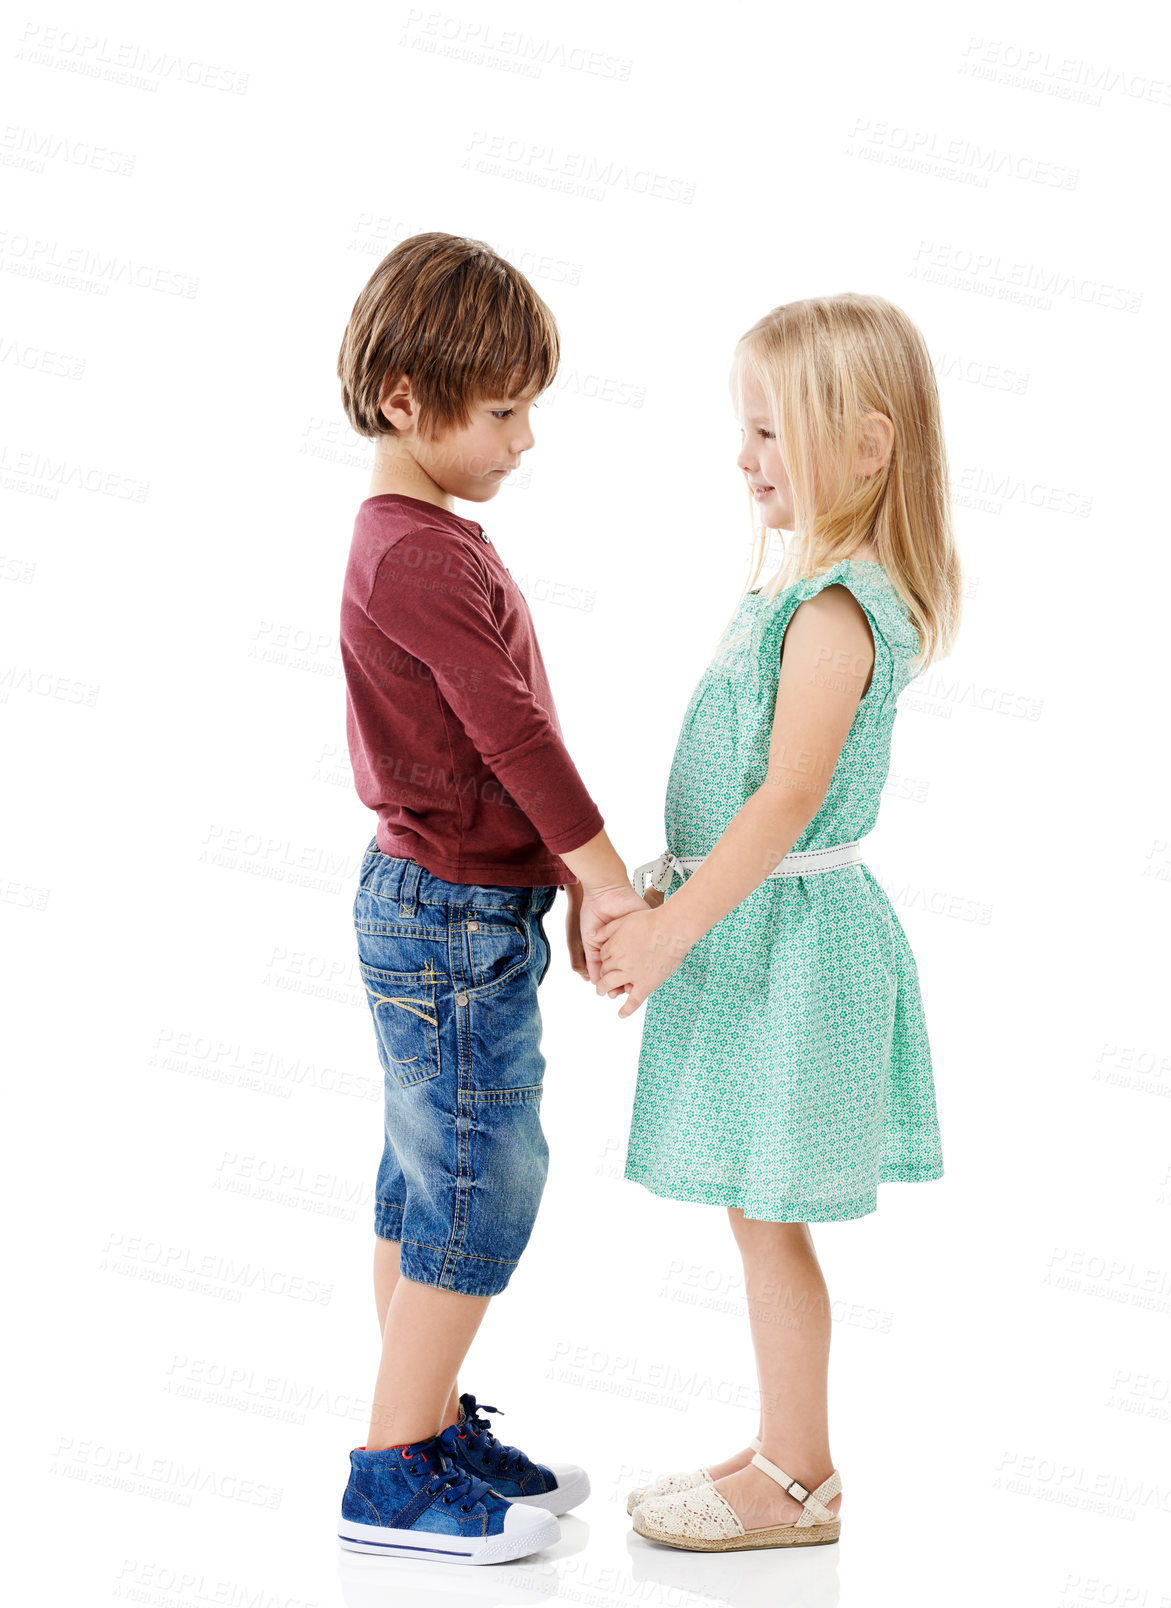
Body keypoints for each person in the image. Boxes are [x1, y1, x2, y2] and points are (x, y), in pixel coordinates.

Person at [595, 293, 961, 1553]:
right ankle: (779, 1449)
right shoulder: (798, 590)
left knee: (768, 1215)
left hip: (791, 952)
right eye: (741, 431)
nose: (743, 459)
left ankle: (798, 1479)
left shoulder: (834, 612)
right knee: (758, 1213)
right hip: (766, 938)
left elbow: (789, 797)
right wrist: (670, 885)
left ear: (867, 447)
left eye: (769, 434)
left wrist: (672, 927)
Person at [333, 233, 646, 1563]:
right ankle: (392, 1470)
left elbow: (500, 734)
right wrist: (608, 878)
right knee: (479, 1170)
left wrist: (555, 877)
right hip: (447, 914)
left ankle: (430, 1419)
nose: (524, 438)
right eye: (503, 409)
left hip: (459, 900)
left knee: (428, 1169)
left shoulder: (425, 540)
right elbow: (511, 732)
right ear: (407, 397)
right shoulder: (416, 556)